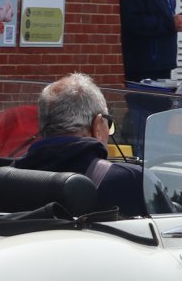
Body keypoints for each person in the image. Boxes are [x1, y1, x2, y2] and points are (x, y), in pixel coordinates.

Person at [15, 73, 146, 218]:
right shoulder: (130, 180)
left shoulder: (8, 177)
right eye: (108, 123)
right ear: (97, 125)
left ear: (42, 126)